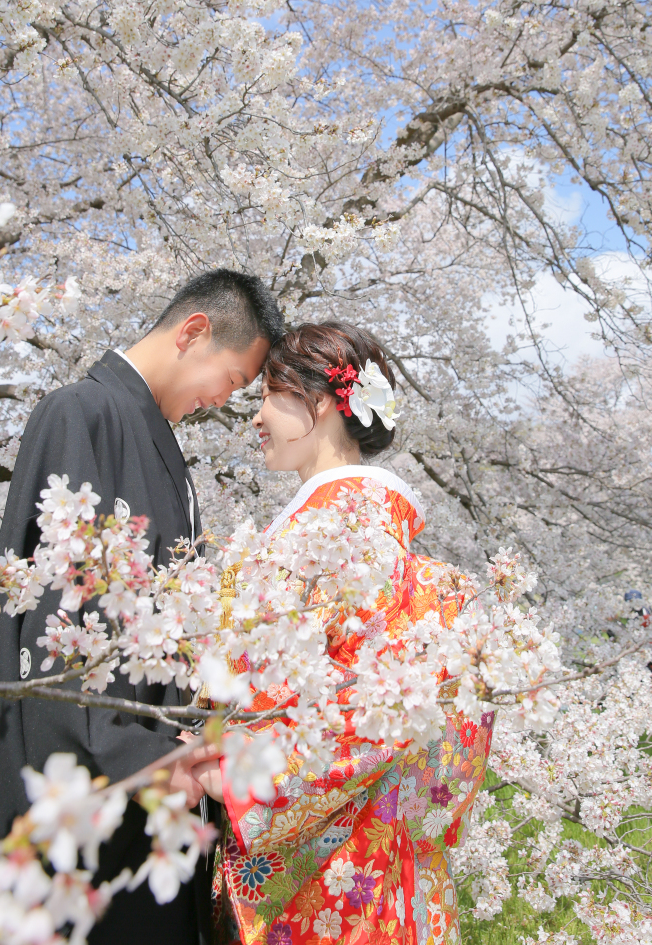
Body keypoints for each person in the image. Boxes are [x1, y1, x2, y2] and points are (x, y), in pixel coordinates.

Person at [0, 269, 284, 945]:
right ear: (195, 331)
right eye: (230, 378)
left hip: (143, 775)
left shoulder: (158, 443)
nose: (225, 400)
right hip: (86, 775)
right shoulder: (82, 413)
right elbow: (55, 614)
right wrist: (136, 755)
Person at [197, 322, 495, 945]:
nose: (254, 417)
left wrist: (225, 769)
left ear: (324, 400)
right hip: (383, 860)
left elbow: (361, 712)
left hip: (333, 873)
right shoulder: (368, 532)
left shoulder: (337, 535)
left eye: (268, 394)